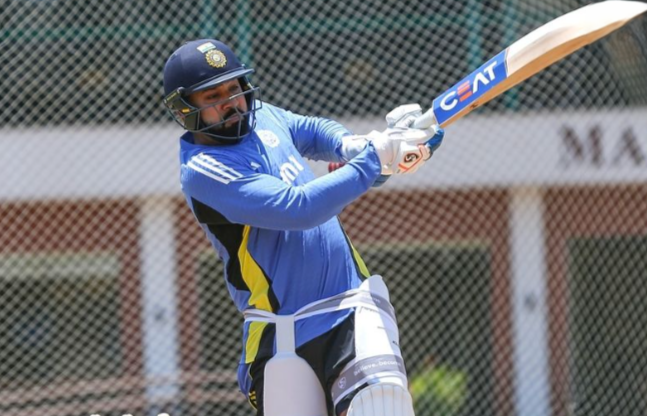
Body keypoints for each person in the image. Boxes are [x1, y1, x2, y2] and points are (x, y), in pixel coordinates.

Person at [162, 39, 444, 416]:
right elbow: (298, 208)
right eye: (213, 96)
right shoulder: (203, 170)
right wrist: (374, 160)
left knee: (383, 406)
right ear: (185, 109)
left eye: (234, 88)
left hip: (350, 308)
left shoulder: (261, 118)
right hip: (278, 334)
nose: (232, 102)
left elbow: (311, 130)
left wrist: (354, 146)